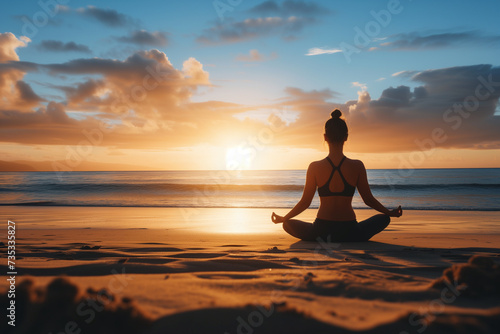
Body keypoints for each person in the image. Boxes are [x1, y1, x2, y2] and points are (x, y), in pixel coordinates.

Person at [271, 109, 402, 242]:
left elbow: (305, 202)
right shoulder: (357, 166)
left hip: (320, 232)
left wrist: (284, 218)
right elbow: (368, 199)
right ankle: (352, 237)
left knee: (288, 224)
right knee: (384, 218)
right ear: (346, 137)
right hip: (350, 231)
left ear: (325, 137)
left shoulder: (314, 167)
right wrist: (389, 212)